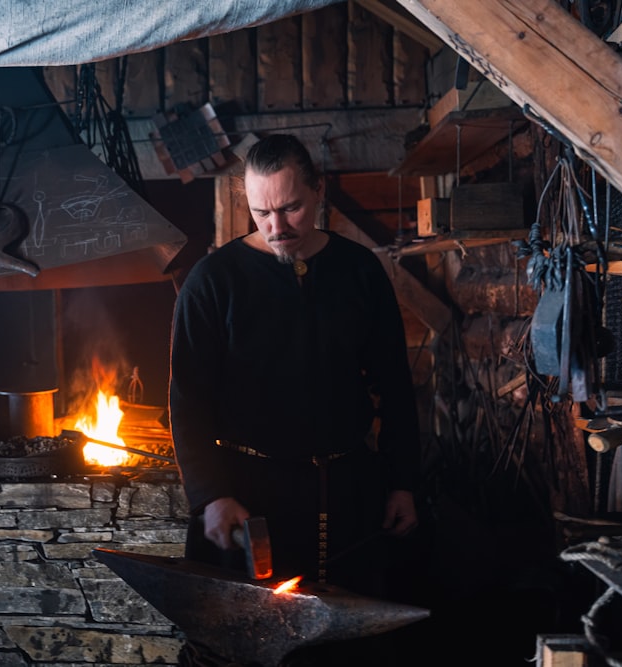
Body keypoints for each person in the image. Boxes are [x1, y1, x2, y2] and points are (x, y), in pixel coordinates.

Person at [168, 133, 423, 661]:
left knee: (347, 650)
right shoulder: (213, 282)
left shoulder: (359, 270)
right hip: (250, 497)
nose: (277, 227)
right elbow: (187, 400)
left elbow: (394, 384)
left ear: (319, 191)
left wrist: (402, 482)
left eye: (291, 208)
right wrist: (211, 494)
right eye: (262, 212)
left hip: (350, 495)